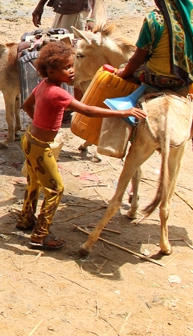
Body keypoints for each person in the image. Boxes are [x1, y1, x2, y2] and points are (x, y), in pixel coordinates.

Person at [19, 41, 145, 250]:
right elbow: (87, 111)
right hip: (41, 146)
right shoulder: (59, 93)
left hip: (30, 139)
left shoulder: (44, 85)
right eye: (67, 68)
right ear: (51, 71)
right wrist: (123, 112)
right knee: (55, 189)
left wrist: (39, 124)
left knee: (34, 182)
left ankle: (26, 220)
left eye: (72, 66)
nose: (72, 71)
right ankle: (40, 236)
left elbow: (26, 105)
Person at [115, 0, 193, 90]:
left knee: (125, 66)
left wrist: (123, 73)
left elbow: (138, 59)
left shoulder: (154, 20)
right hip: (186, 80)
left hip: (158, 78)